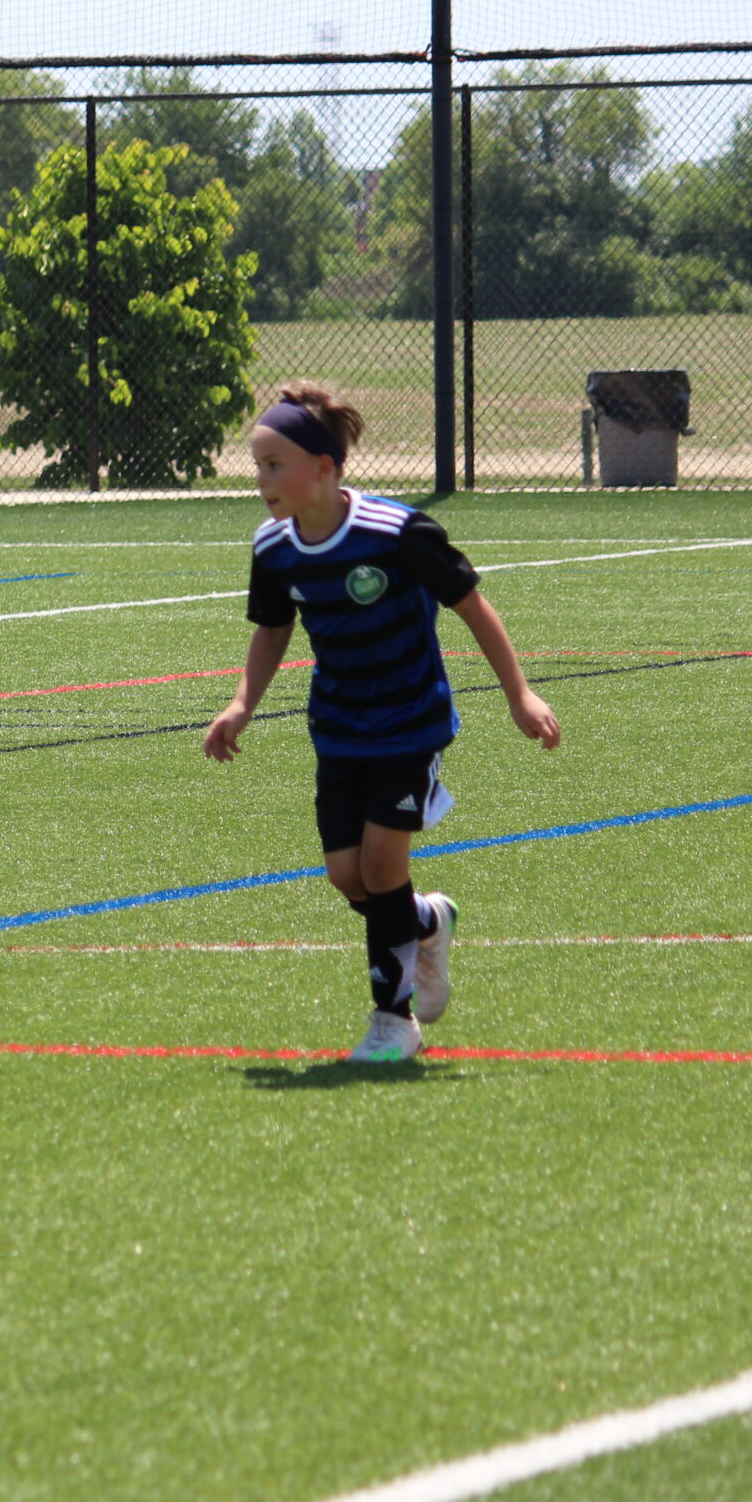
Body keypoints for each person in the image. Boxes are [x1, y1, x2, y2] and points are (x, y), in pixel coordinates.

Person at [203, 382, 560, 1065]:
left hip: (409, 720)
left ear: (326, 469)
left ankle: (392, 1021)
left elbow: (472, 605)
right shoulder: (273, 546)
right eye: (258, 464)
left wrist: (519, 694)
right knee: (348, 876)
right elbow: (274, 628)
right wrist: (241, 703)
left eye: (276, 464)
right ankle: (427, 922)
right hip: (338, 726)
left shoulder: (396, 533)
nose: (263, 479)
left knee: (380, 862)